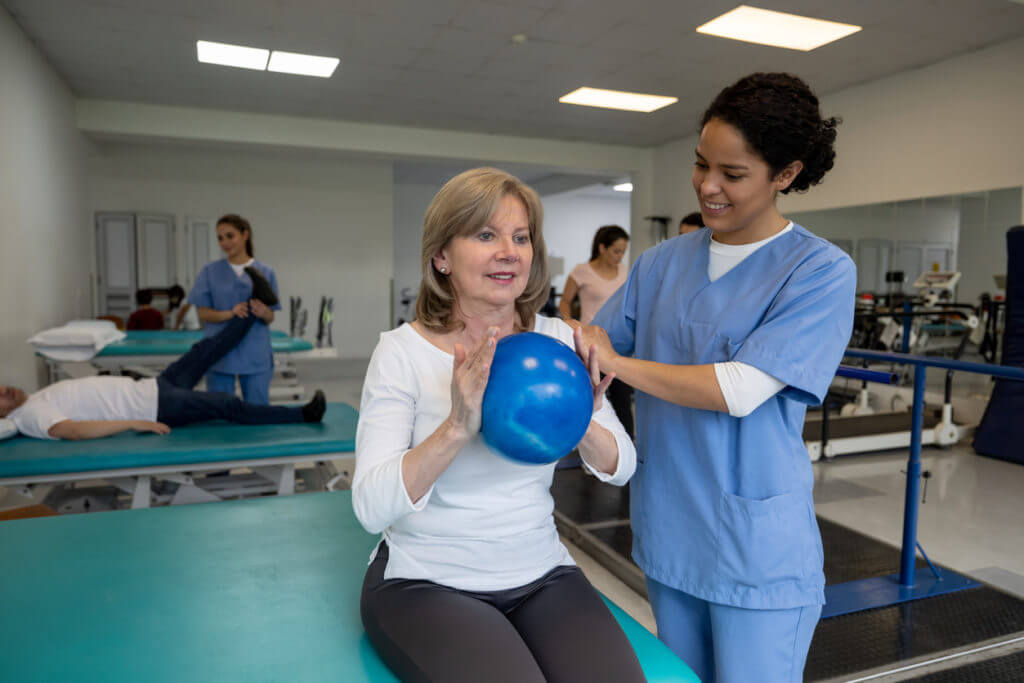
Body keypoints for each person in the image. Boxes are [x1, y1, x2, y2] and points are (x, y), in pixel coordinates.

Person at [577, 73, 856, 683]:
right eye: (701, 164)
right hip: (669, 529)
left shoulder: (819, 271)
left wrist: (618, 363)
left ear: (784, 175)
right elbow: (589, 349)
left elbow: (740, 388)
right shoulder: (660, 264)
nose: (708, 186)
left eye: (733, 174)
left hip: (755, 550)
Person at [353, 167, 645, 683]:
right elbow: (370, 506)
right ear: (441, 257)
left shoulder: (560, 341)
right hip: (426, 580)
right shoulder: (401, 353)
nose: (508, 251)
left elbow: (623, 466)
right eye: (485, 235)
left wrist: (576, 419)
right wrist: (457, 426)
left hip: (541, 572)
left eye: (520, 237)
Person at [1, 294, 326, 440]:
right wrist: (134, 423)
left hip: (154, 388)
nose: (6, 389)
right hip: (156, 407)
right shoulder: (29, 416)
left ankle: (253, 309)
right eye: (0, 396)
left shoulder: (34, 398)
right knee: (228, 405)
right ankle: (302, 414)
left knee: (206, 349)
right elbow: (71, 431)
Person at [187, 214, 280, 404]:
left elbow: (271, 317)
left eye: (230, 236)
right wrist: (230, 313)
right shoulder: (210, 271)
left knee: (258, 415)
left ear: (245, 234)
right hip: (219, 352)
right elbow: (203, 314)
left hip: (254, 353)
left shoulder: (266, 272)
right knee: (220, 417)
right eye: (220, 238)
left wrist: (264, 313)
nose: (225, 243)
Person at [559, 225, 634, 438]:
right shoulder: (581, 271)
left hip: (618, 345)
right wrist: (570, 323)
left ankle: (627, 451)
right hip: (589, 345)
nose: (620, 256)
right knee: (591, 400)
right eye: (616, 251)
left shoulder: (625, 273)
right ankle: (589, 450)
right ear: (602, 248)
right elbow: (565, 301)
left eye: (623, 251)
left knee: (622, 400)